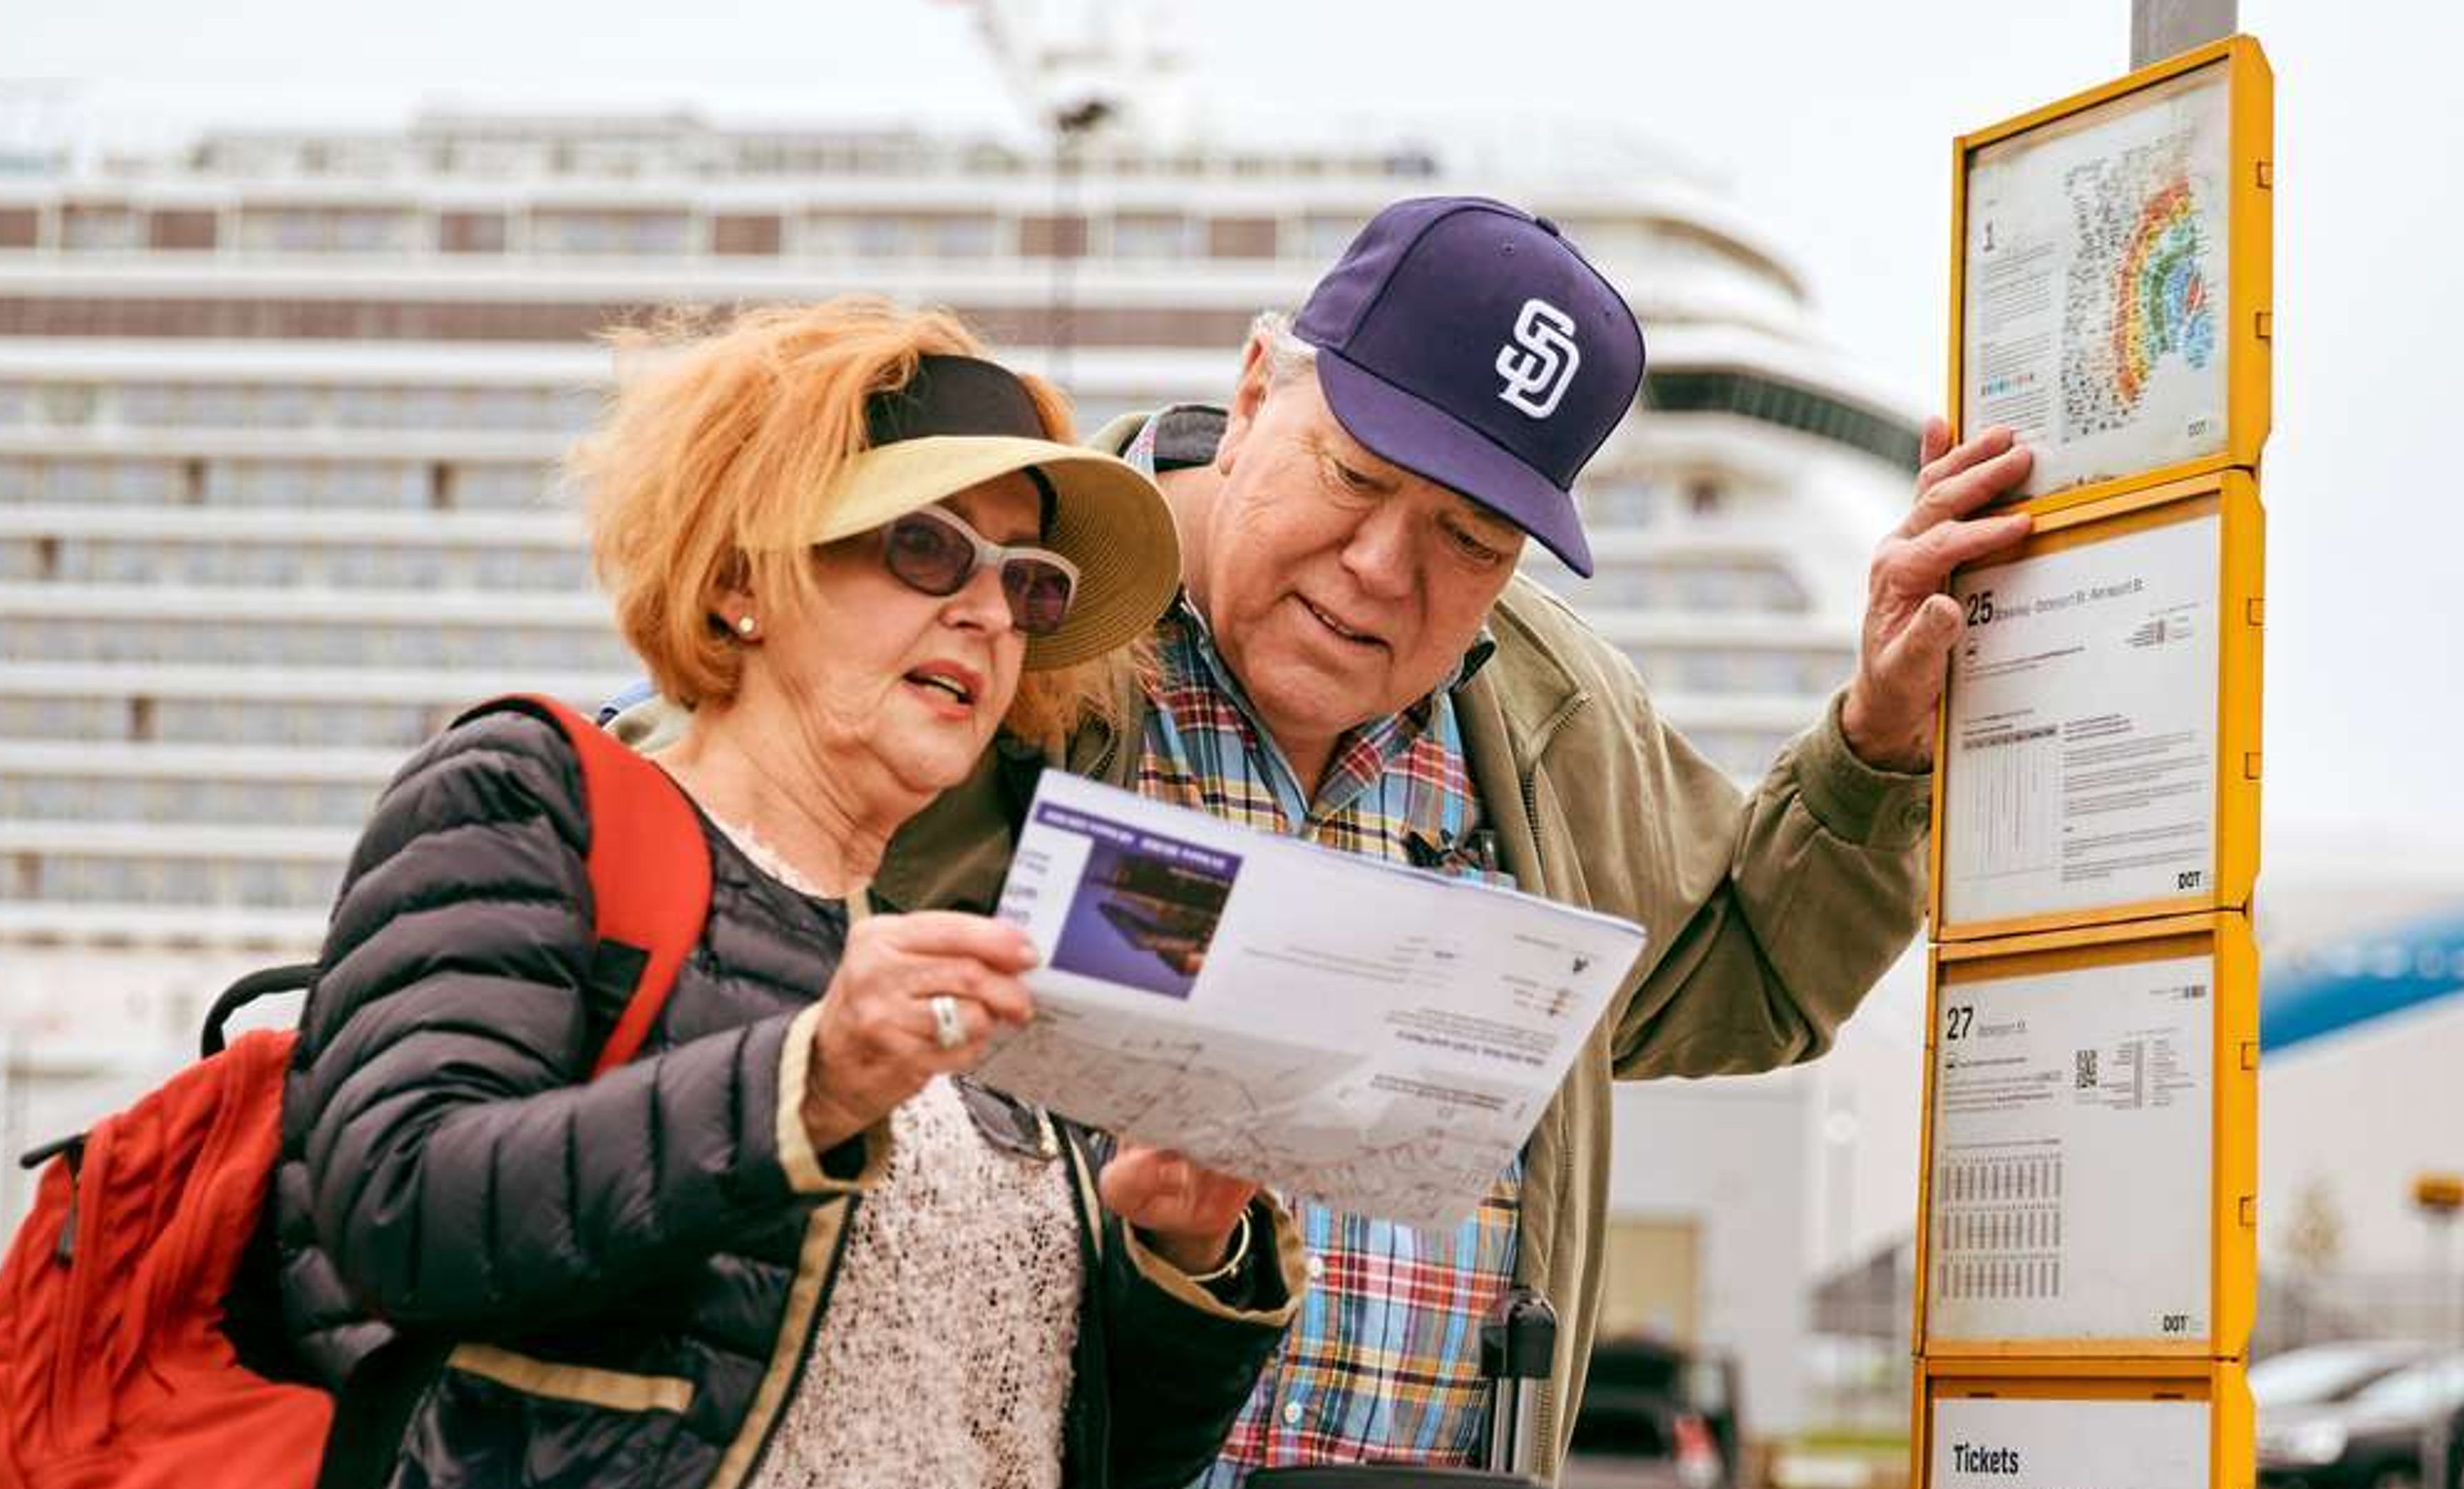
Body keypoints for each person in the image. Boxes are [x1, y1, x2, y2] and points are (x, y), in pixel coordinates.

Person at [616, 197, 2037, 1482]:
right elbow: (698, 813)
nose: (1381, 570)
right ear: (1251, 393)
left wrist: (1877, 736)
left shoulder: (1552, 705)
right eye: (1353, 479)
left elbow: (1741, 979)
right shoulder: (1015, 611)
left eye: (1469, 540)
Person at [271, 299, 1306, 1489]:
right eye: (925, 547)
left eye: (1030, 584)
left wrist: (1181, 1251)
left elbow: (1088, 1454)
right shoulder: (531, 799)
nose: (984, 610)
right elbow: (396, 1215)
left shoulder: (1005, 930)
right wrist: (800, 1089)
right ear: (737, 582)